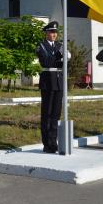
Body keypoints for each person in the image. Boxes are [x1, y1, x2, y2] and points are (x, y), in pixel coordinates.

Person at [36, 21, 64, 153]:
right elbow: (46, 61)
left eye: (55, 32)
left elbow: (62, 65)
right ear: (46, 33)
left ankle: (54, 141)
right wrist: (60, 57)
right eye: (52, 32)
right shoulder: (41, 46)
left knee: (56, 113)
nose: (54, 34)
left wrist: (65, 59)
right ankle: (47, 143)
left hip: (58, 81)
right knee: (47, 113)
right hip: (48, 80)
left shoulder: (60, 45)